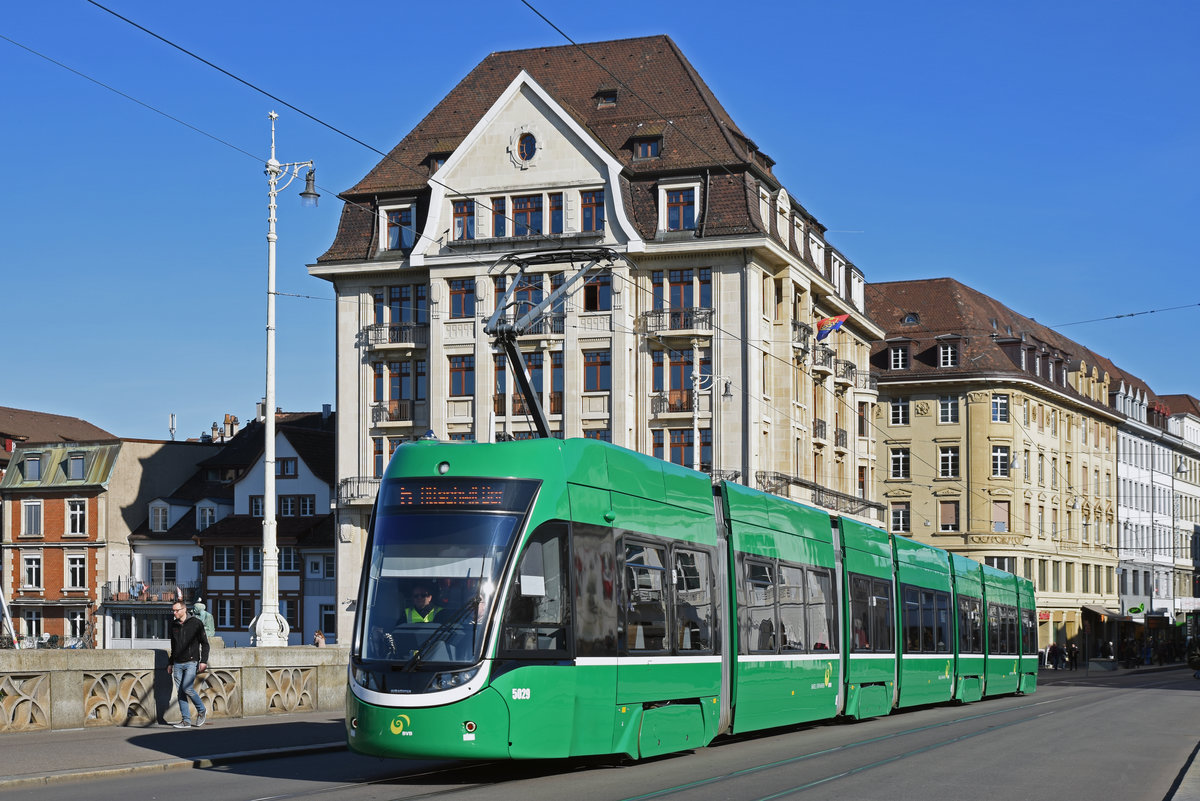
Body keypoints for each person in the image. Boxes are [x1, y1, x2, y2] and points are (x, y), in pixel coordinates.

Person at [167, 601, 209, 729]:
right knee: (180, 692)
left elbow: (205, 644)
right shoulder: (174, 625)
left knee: (187, 688)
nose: (174, 613)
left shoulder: (196, 623)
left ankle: (201, 710)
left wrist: (203, 661)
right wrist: (170, 663)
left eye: (177, 610)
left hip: (191, 661)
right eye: (173, 610)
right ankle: (186, 721)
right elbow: (173, 646)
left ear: (184, 609)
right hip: (178, 663)